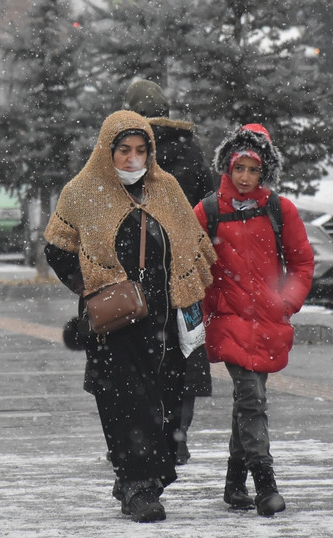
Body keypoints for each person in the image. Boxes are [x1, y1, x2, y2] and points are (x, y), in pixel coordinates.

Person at [44, 110, 217, 523]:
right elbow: (57, 246)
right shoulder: (83, 191)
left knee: (169, 401)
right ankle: (137, 486)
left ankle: (144, 479)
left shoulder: (166, 189)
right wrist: (87, 286)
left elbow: (192, 244)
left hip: (165, 317)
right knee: (125, 402)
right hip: (115, 321)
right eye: (124, 150)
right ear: (108, 150)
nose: (133, 159)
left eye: (141, 150)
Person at [193, 123, 314, 516]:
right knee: (252, 398)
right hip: (228, 320)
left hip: (268, 320)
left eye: (253, 170)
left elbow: (301, 263)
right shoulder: (208, 212)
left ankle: (233, 483)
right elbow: (192, 265)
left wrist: (286, 303)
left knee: (248, 402)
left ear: (265, 172)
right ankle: (265, 484)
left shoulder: (280, 210)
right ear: (227, 166)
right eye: (239, 168)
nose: (245, 177)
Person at [123, 78, 215, 465]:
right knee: (186, 352)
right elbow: (207, 210)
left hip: (140, 277)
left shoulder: (128, 154)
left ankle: (144, 437)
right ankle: (178, 434)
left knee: (139, 359)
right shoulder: (192, 151)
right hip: (184, 276)